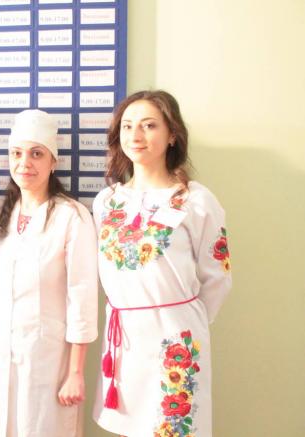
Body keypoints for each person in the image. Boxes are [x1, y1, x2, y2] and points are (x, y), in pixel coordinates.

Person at [91, 90, 232, 437]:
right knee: (128, 427)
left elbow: (218, 277)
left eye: (149, 125)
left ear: (172, 134)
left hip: (174, 339)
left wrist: (182, 321)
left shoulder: (195, 200)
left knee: (171, 428)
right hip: (124, 339)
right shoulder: (107, 201)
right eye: (127, 126)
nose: (135, 135)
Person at [0, 109, 99, 437]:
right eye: (16, 154)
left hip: (48, 359)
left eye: (36, 154)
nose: (24, 163)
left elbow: (83, 297)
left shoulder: (72, 216)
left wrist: (76, 372)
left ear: (53, 161)